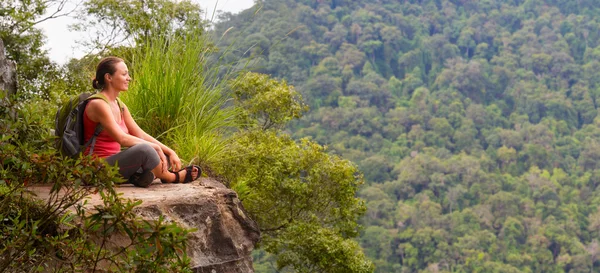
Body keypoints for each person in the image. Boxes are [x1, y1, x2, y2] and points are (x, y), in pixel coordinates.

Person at [83, 56, 200, 187]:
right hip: (95, 170)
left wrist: (169, 151)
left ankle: (139, 176)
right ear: (108, 77)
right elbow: (122, 138)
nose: (129, 78)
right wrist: (154, 148)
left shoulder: (119, 105)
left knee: (160, 155)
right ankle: (171, 177)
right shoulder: (98, 104)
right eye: (124, 74)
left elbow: (140, 134)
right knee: (146, 150)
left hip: (116, 165)